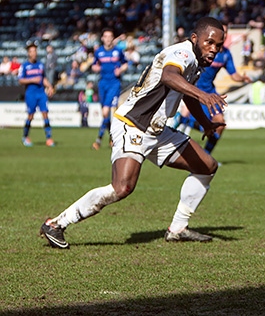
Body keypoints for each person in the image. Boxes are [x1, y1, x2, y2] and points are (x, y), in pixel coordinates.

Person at [40, 17, 228, 249]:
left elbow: (186, 94)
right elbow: (169, 76)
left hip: (156, 130)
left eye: (219, 45)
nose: (214, 49)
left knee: (207, 166)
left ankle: (178, 228)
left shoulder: (196, 62)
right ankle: (56, 224)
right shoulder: (183, 53)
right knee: (122, 187)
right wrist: (204, 95)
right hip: (133, 124)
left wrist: (205, 123)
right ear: (194, 39)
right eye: (210, 42)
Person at [176, 25, 251, 154]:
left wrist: (243, 78)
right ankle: (185, 121)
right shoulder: (204, 49)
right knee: (205, 123)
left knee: (220, 124)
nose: (224, 35)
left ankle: (206, 154)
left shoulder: (226, 54)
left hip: (210, 91)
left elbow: (233, 75)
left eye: (226, 33)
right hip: (195, 89)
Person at [91, 28, 128, 150]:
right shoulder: (99, 52)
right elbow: (94, 64)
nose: (107, 39)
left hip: (114, 84)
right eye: (105, 36)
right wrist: (95, 68)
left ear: (112, 38)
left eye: (109, 36)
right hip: (103, 84)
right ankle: (112, 138)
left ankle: (98, 140)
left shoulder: (118, 51)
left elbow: (125, 64)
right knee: (105, 114)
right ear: (102, 38)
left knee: (106, 112)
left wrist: (120, 70)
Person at [18, 43, 56, 147]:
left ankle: (49, 138)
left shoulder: (40, 65)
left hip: (41, 93)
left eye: (35, 51)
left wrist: (49, 86)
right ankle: (25, 136)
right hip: (31, 93)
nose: (34, 53)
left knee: (45, 114)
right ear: (28, 53)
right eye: (32, 51)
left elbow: (42, 78)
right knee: (30, 116)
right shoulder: (25, 66)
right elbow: (20, 80)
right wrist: (32, 80)